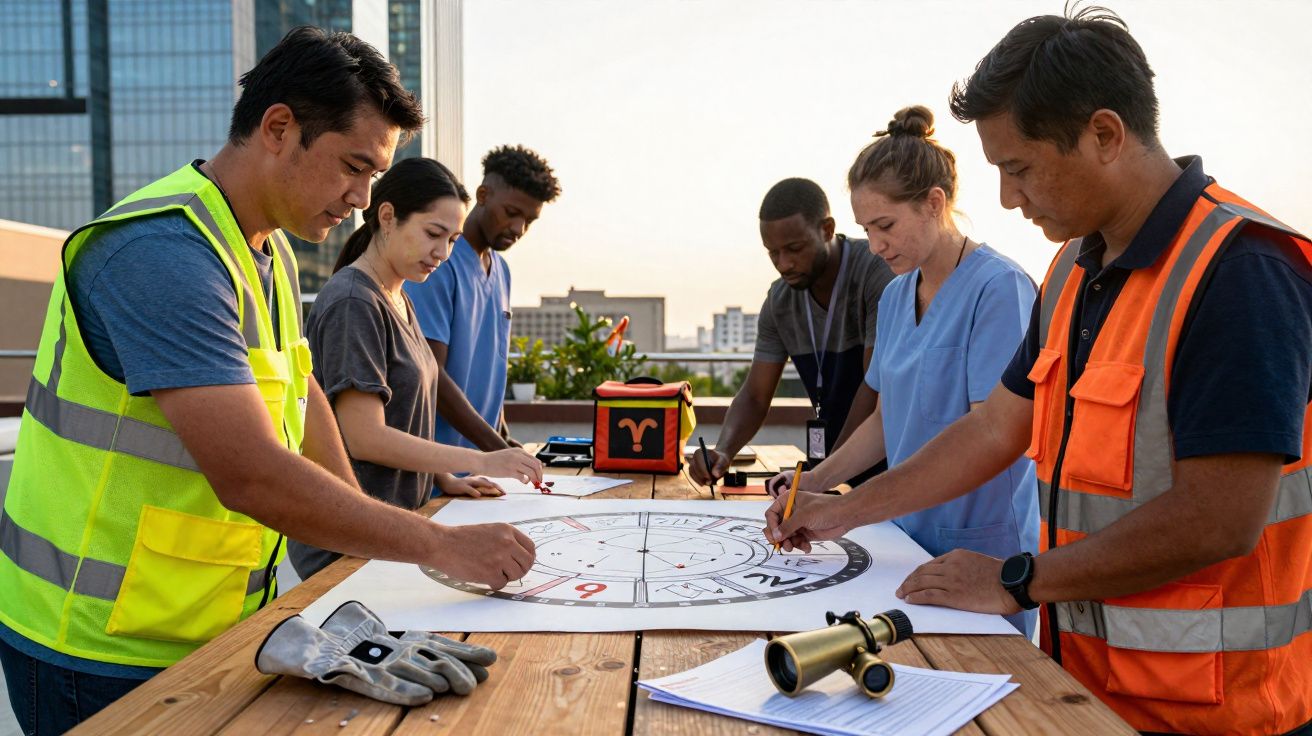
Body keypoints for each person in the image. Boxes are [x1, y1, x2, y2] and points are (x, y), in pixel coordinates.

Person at [765, 7, 1312, 734]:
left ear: (1106, 135)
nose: (1007, 198)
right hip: (1082, 688)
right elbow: (994, 427)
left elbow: (1219, 519)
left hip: (1217, 711)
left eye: (1018, 169)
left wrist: (1015, 580)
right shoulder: (1072, 273)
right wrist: (839, 508)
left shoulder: (1241, 271)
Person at [0, 28, 533, 733]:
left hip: (204, 626)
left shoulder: (267, 250)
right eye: (353, 166)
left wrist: (353, 564)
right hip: (91, 647)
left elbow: (305, 399)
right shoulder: (165, 252)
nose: (362, 196)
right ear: (279, 127)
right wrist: (438, 545)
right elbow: (250, 473)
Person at [767, 107, 1039, 635]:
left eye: (885, 225)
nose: (875, 245)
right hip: (902, 545)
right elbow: (887, 421)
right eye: (866, 229)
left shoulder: (1000, 290)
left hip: (981, 555)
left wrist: (844, 511)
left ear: (934, 203)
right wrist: (811, 485)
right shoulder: (894, 296)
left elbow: (993, 435)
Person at [287, 158, 545, 579]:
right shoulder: (354, 302)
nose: (442, 253)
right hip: (348, 543)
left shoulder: (400, 297)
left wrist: (444, 476)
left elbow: (403, 416)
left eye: (452, 239)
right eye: (433, 234)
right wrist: (482, 459)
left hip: (392, 530)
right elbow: (363, 436)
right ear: (387, 217)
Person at [690, 178, 895, 486]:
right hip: (833, 476)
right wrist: (723, 451)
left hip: (892, 468)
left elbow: (874, 387)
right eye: (772, 253)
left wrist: (821, 479)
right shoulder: (779, 301)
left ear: (826, 230)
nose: (784, 264)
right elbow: (756, 396)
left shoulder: (875, 271)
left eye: (794, 249)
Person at [404, 145, 561, 453]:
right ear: (483, 194)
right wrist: (496, 448)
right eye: (512, 213)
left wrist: (502, 435)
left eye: (530, 220)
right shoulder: (436, 263)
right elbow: (430, 375)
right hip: (438, 471)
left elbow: (491, 364)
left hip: (485, 468)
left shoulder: (502, 271)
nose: (518, 229)